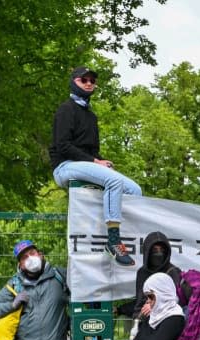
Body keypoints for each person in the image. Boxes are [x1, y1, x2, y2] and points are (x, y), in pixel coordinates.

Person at [49, 66, 142, 266]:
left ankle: (124, 234)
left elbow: (93, 151)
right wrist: (94, 162)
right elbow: (63, 146)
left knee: (135, 189)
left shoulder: (91, 117)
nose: (89, 83)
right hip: (65, 166)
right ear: (74, 82)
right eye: (84, 80)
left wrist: (101, 161)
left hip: (85, 164)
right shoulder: (66, 109)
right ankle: (113, 241)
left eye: (92, 80)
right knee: (114, 180)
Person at [0, 240, 69, 340]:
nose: (30, 258)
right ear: (20, 264)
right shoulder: (15, 283)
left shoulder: (60, 276)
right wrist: (12, 305)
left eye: (32, 253)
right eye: (24, 257)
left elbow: (81, 293)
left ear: (40, 254)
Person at [110, 272, 185, 340]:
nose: (148, 301)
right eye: (147, 297)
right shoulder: (154, 316)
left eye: (151, 296)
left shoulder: (175, 319)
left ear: (163, 294)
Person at [116, 231, 191, 320]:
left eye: (162, 250)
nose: (159, 254)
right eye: (154, 250)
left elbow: (175, 301)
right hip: (145, 319)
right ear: (148, 251)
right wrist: (121, 310)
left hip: (168, 320)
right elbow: (140, 300)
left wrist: (154, 306)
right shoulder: (142, 273)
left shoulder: (173, 272)